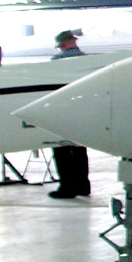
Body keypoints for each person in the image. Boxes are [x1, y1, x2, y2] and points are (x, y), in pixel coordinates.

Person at [49, 31, 91, 199]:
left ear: (63, 45)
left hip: (62, 112)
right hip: (83, 112)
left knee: (61, 149)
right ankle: (83, 185)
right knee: (80, 150)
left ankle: (67, 186)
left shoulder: (56, 62)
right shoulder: (87, 61)